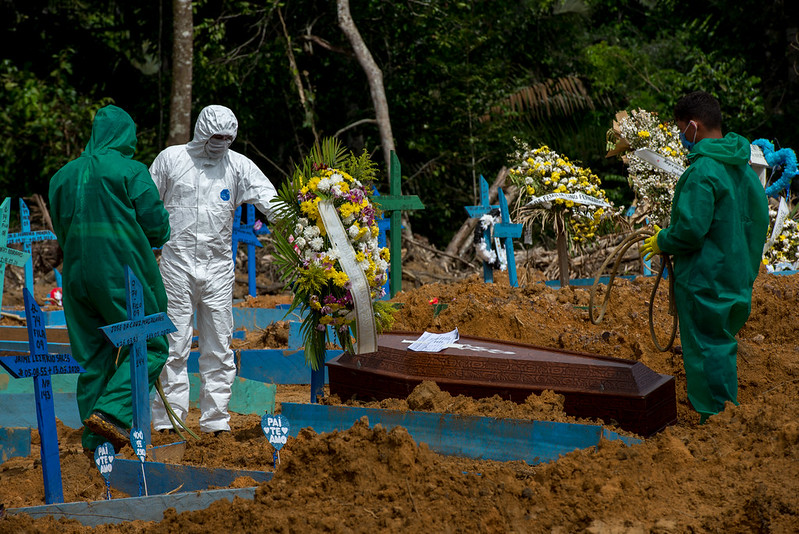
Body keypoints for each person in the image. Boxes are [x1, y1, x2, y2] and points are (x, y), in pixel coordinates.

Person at [49, 104, 171, 453]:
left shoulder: (61, 176)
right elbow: (156, 225)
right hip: (122, 276)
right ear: (126, 135)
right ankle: (113, 414)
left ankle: (95, 448)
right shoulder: (130, 170)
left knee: (93, 357)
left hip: (75, 278)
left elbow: (62, 229)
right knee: (150, 343)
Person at [641, 91, 769, 423]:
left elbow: (690, 231)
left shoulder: (703, 172)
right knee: (721, 344)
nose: (683, 137)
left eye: (682, 129)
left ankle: (715, 419)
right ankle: (725, 412)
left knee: (705, 349)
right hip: (736, 276)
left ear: (693, 127)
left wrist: (662, 240)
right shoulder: (744, 167)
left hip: (704, 279)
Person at [150, 105, 277, 435]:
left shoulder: (238, 166)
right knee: (173, 344)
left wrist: (304, 220)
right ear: (202, 131)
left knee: (219, 346)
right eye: (215, 136)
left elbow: (269, 199)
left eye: (226, 137)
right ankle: (168, 421)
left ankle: (216, 421)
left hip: (218, 269)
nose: (220, 142)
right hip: (176, 266)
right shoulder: (171, 161)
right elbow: (148, 206)